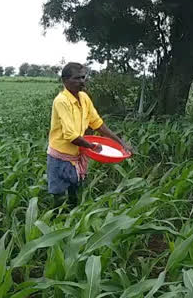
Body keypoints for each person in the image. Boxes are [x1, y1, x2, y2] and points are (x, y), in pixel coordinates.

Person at [47, 62, 132, 206]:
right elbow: (71, 136)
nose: (81, 81)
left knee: (75, 195)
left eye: (83, 77)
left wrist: (120, 142)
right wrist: (92, 146)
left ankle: (74, 222)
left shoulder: (84, 98)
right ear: (65, 81)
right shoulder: (61, 101)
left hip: (77, 155)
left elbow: (97, 123)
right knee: (59, 198)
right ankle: (57, 224)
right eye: (77, 78)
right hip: (60, 158)